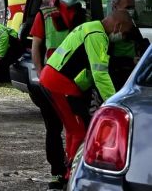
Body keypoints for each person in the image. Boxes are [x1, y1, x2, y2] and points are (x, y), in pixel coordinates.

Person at [39, 9, 136, 182]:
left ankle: (63, 172)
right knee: (79, 130)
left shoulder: (90, 27)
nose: (124, 37)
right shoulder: (96, 35)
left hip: (54, 80)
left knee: (72, 128)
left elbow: (88, 68)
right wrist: (114, 102)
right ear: (118, 26)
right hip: (59, 84)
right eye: (125, 33)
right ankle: (70, 175)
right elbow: (100, 74)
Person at [29, 0, 86, 189]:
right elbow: (36, 46)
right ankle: (56, 172)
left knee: (77, 126)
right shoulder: (45, 14)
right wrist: (40, 72)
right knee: (53, 128)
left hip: (76, 82)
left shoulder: (84, 14)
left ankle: (71, 167)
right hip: (51, 81)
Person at [107, 0, 150, 90]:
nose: (131, 11)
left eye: (132, 8)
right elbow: (104, 61)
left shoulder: (132, 26)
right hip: (115, 77)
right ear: (115, 6)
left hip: (132, 75)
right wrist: (130, 61)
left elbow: (141, 44)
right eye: (128, 7)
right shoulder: (108, 28)